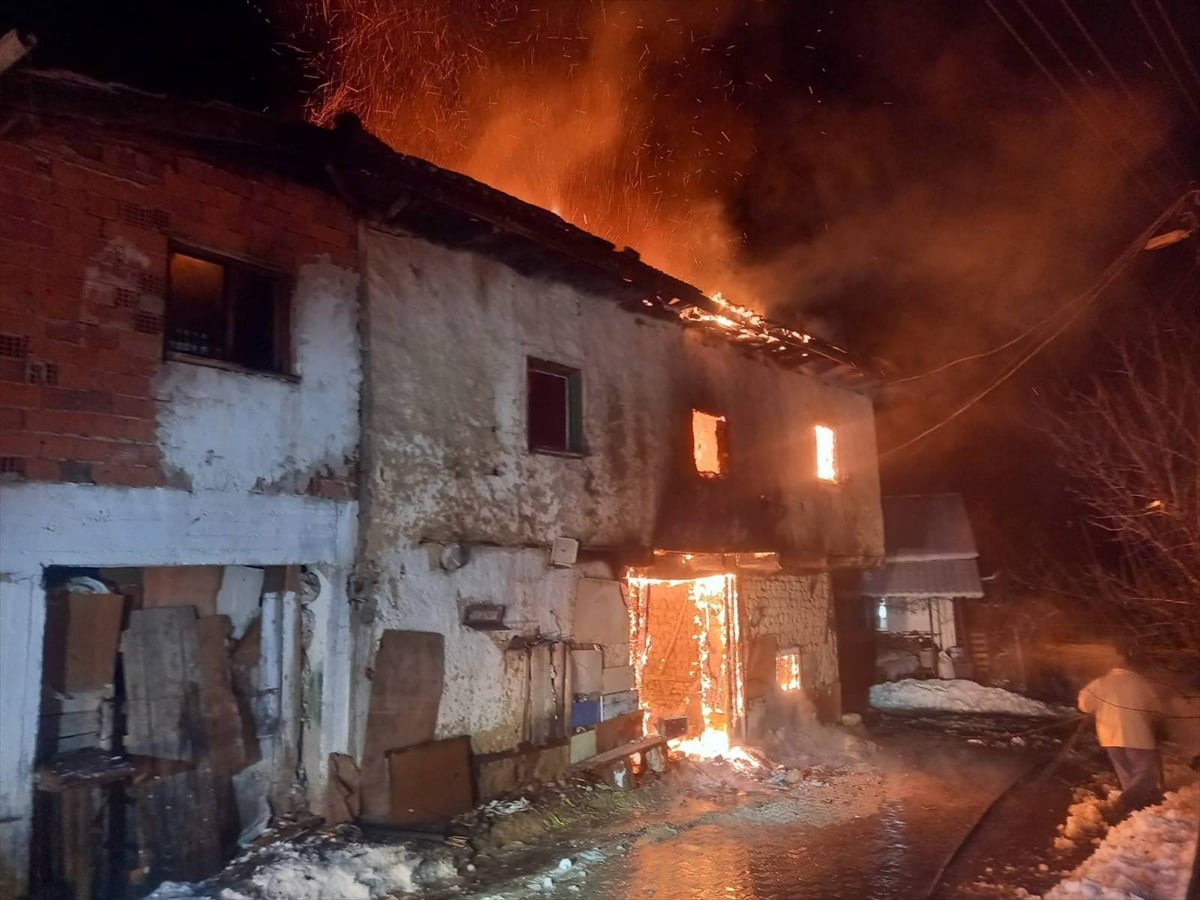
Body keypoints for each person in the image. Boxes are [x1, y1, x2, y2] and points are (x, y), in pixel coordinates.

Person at [1077, 647, 1164, 819]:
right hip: (1139, 736)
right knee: (1147, 773)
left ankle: (1133, 810)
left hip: (1110, 737)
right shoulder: (1140, 683)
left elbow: (1084, 705)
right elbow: (1156, 708)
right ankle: (1127, 801)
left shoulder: (1101, 683)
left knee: (1127, 774)